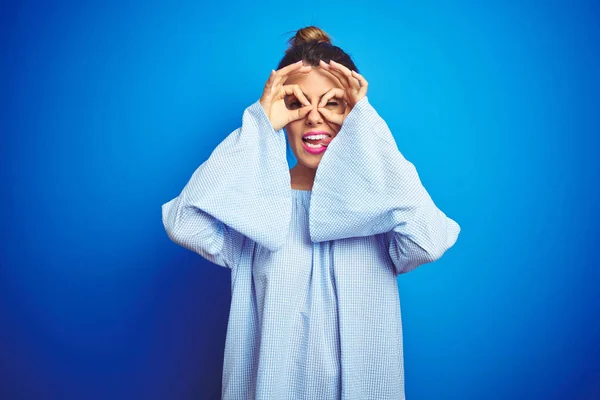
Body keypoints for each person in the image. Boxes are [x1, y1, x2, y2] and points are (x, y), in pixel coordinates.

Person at [162, 26, 460, 400]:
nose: (315, 117)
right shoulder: (254, 207)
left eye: (333, 103)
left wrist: (365, 123)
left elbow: (428, 241)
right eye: (296, 102)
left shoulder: (382, 206)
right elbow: (182, 221)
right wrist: (259, 123)